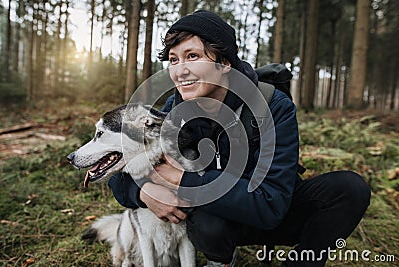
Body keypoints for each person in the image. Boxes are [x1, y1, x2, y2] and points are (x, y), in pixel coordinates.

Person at [108, 10, 371, 267]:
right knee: (206, 221)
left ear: (224, 64)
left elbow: (272, 204)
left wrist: (183, 178)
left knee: (349, 189)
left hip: (276, 211)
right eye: (174, 60)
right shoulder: (173, 112)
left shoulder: (271, 106)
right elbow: (122, 171)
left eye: (192, 56)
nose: (180, 71)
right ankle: (221, 258)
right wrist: (143, 191)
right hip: (220, 222)